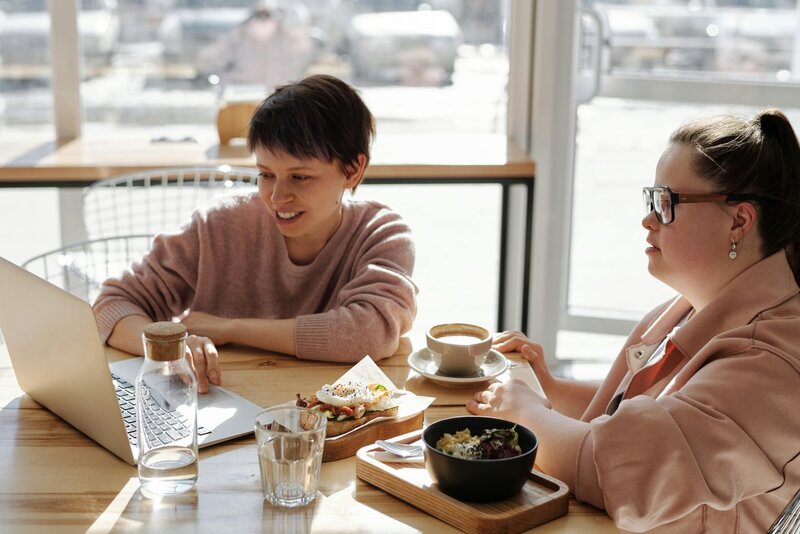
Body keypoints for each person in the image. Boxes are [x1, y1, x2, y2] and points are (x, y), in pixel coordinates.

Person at [468, 108, 800, 532]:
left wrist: (524, 411)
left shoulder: (770, 365)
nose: (648, 220)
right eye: (651, 200)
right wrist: (550, 389)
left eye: (666, 203)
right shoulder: (684, 309)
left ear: (739, 221)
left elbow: (617, 473)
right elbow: (658, 412)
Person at [94, 75, 417, 393]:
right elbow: (112, 305)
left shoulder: (382, 233)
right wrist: (171, 349)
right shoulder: (219, 225)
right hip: (215, 409)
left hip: (327, 422)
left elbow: (371, 332)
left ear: (352, 170)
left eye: (300, 177)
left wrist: (230, 329)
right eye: (265, 174)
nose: (277, 197)